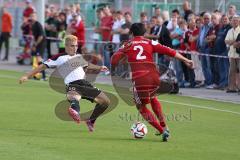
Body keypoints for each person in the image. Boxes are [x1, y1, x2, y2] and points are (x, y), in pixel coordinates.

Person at [111, 23, 194, 141]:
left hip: (140, 79)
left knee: (141, 106)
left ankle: (162, 131)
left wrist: (120, 62)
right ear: (144, 33)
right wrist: (186, 60)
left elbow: (114, 59)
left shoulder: (127, 44)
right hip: (154, 77)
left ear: (131, 33)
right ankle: (165, 126)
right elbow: (169, 51)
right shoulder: (149, 42)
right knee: (153, 97)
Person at [19, 35, 110, 132]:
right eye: (72, 46)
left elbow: (87, 65)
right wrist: (27, 76)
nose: (74, 48)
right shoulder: (59, 57)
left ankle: (90, 120)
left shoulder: (79, 57)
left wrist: (100, 68)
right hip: (72, 84)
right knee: (74, 97)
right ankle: (75, 111)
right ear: (66, 46)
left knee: (106, 102)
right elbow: (42, 66)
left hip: (85, 84)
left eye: (76, 46)